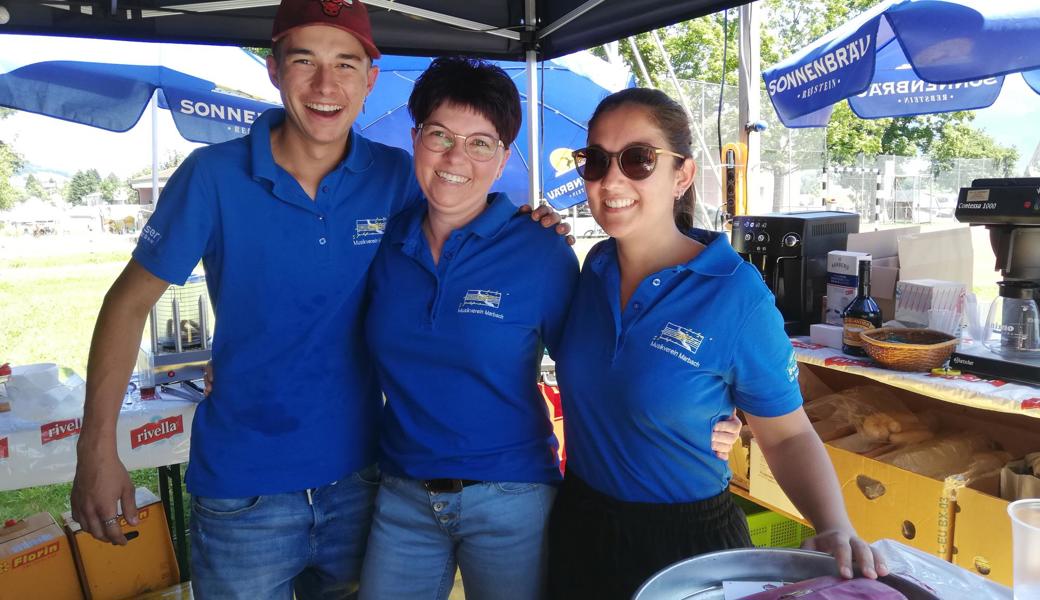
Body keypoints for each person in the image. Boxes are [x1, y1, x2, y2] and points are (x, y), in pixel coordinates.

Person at [68, 1, 568, 598]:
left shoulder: (397, 176)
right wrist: (96, 449)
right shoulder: (211, 176)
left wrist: (537, 225)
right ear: (274, 69)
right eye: (304, 60)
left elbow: (461, 201)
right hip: (243, 489)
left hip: (362, 481)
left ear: (370, 77)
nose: (326, 85)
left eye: (345, 64)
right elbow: (126, 305)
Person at [546, 88, 889, 600]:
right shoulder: (593, 268)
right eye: (594, 160)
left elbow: (788, 434)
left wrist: (835, 525)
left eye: (637, 159)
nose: (611, 179)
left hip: (685, 544)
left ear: (681, 174)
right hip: (579, 526)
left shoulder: (737, 294)